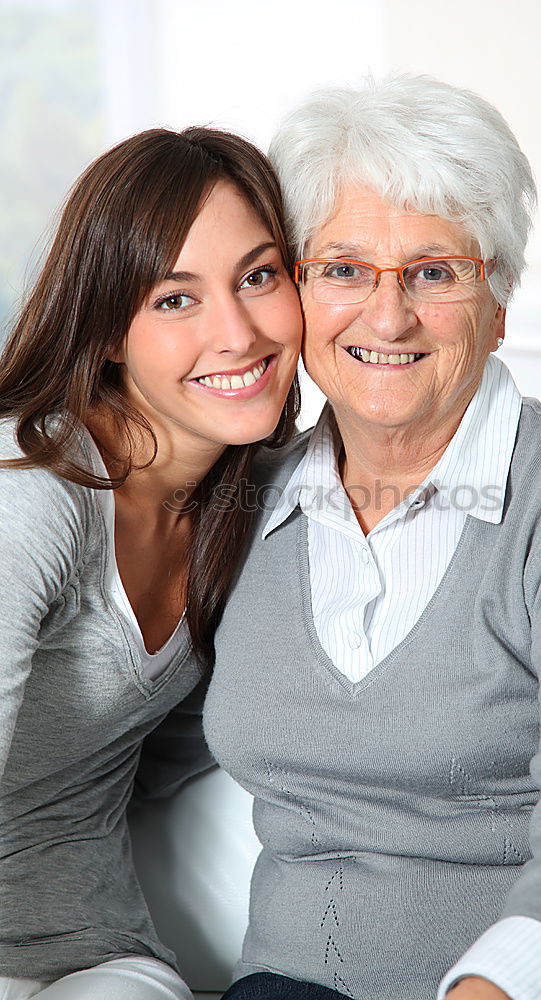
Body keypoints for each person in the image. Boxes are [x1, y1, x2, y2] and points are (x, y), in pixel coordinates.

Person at [201, 76, 541, 1000]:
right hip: (287, 984)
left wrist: (493, 986)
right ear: (295, 293)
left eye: (435, 271)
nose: (387, 315)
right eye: (341, 268)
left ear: (497, 305)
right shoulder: (236, 501)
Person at [0, 127, 302, 1000]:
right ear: (104, 334)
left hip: (97, 959)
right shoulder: (32, 495)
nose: (237, 332)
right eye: (175, 300)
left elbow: (434, 464)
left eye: (258, 276)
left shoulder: (262, 502)